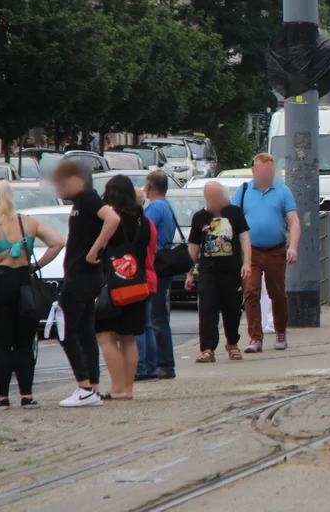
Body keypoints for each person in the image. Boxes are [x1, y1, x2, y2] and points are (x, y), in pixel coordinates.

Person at [52, 159, 120, 408]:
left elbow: (112, 219)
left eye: (60, 183)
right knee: (85, 331)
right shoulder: (79, 203)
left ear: (73, 179)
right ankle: (93, 387)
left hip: (82, 275)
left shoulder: (88, 199)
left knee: (65, 329)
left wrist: (95, 249)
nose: (57, 189)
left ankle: (84, 387)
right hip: (82, 274)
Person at [0, 180, 64, 408]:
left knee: (2, 344)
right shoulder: (28, 223)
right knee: (25, 343)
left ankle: (2, 397)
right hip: (26, 283)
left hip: (0, 284)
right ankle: (26, 395)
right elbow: (57, 242)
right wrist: (37, 265)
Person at [95, 175, 152, 401]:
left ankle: (116, 387)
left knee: (105, 335)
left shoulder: (110, 218)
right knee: (129, 337)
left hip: (113, 283)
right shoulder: (142, 220)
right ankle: (128, 388)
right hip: (136, 283)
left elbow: (100, 248)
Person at [235, 153, 299, 353]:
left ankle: (280, 331)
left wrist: (293, 247)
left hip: (275, 251)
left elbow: (294, 220)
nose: (267, 175)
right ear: (254, 171)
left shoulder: (282, 191)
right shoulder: (244, 190)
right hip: (250, 252)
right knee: (251, 292)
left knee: (277, 295)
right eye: (263, 172)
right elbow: (233, 218)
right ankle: (255, 337)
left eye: (270, 172)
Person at [186, 182, 251, 363]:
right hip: (208, 271)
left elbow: (244, 238)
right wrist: (190, 272)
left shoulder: (234, 213)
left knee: (232, 309)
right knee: (207, 310)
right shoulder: (200, 217)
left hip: (231, 270)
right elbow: (194, 247)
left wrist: (247, 263)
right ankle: (207, 348)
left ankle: (232, 343)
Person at [136, 171, 177, 381]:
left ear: (149, 187)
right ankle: (163, 363)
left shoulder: (155, 207)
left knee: (155, 319)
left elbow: (143, 232)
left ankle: (163, 364)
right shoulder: (167, 205)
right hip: (163, 264)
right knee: (159, 317)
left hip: (155, 265)